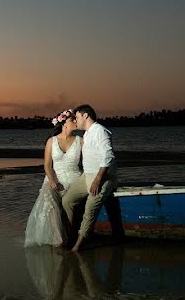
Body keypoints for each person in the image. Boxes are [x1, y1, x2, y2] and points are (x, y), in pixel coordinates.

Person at [61, 104, 118, 251]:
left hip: (103, 177)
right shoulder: (86, 133)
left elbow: (108, 156)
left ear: (85, 116)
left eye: (78, 117)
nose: (76, 120)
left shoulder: (100, 131)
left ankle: (78, 246)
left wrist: (98, 179)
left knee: (89, 210)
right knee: (67, 200)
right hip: (87, 175)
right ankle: (72, 234)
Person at [23, 109, 81, 247]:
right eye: (73, 120)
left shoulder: (80, 141)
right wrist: (52, 180)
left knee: (71, 201)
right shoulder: (51, 141)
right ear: (64, 124)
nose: (76, 122)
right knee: (48, 196)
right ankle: (58, 238)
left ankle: (72, 233)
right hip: (54, 178)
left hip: (74, 179)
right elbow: (47, 165)